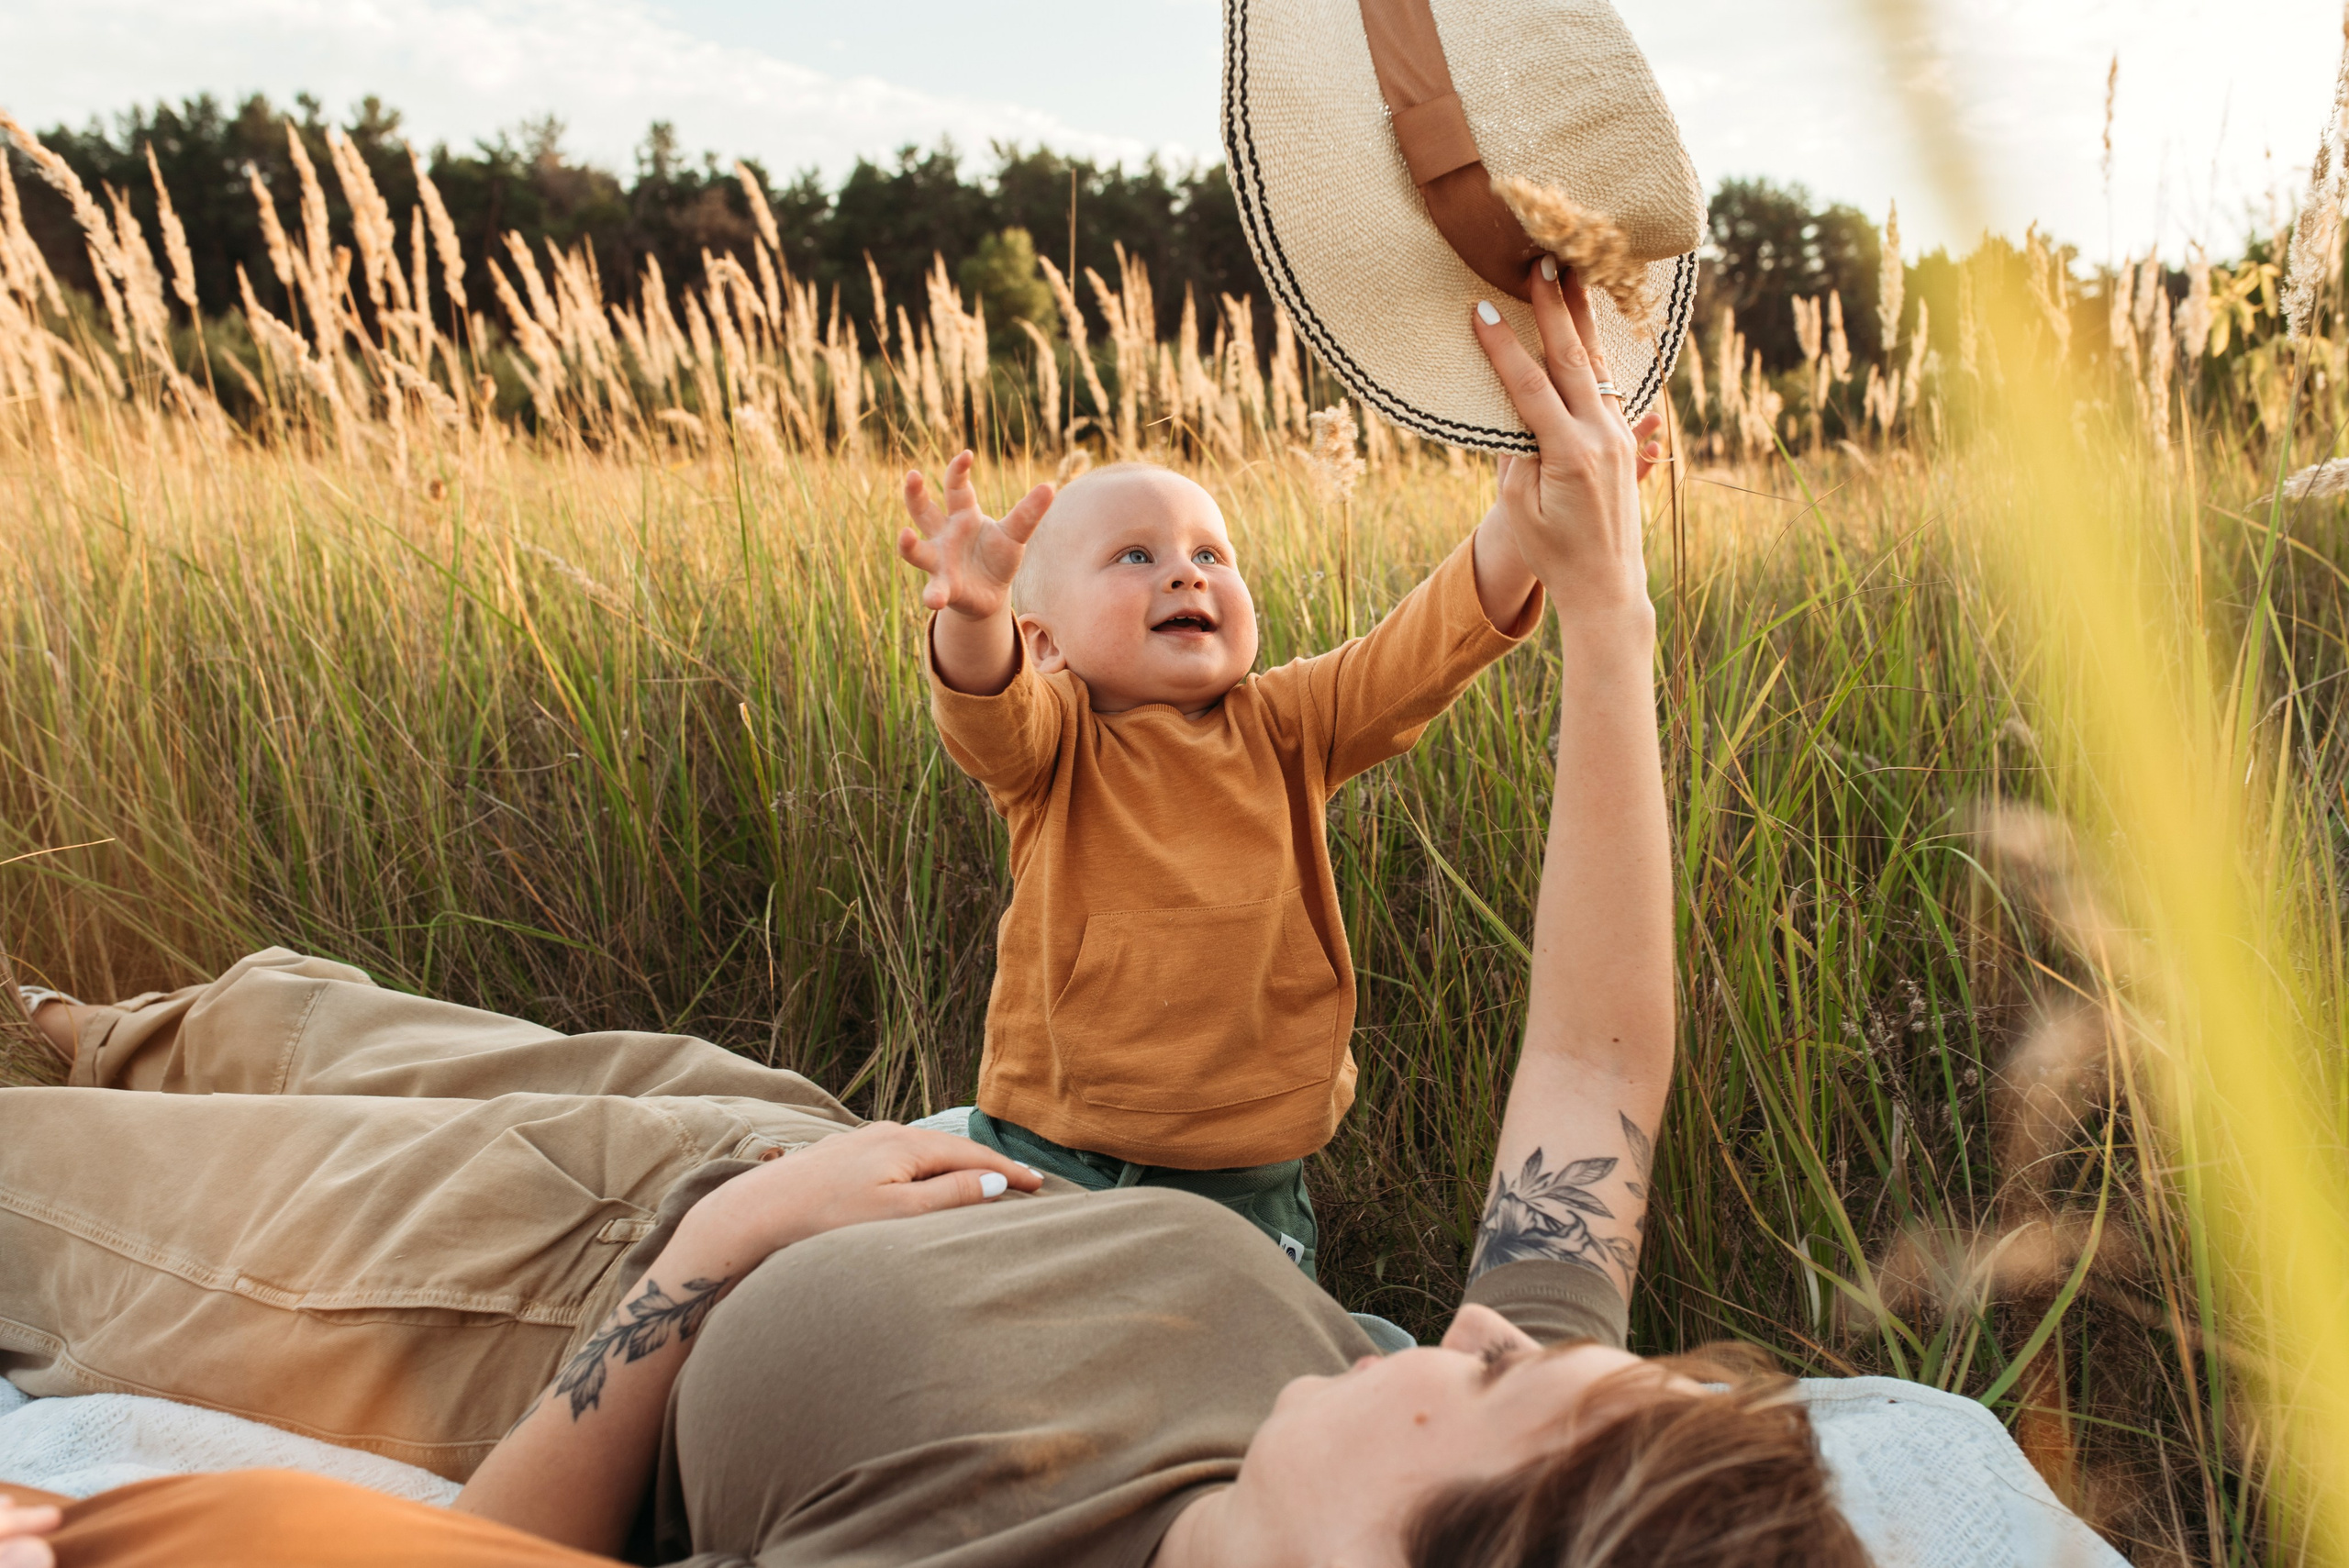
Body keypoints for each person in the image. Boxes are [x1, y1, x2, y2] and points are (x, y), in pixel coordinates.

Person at [0, 270, 1864, 1568]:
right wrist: (1598, 600)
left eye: (1482, 1384)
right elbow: (1592, 1066)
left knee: (49, 1182)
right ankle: (59, 1006)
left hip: (560, 1283)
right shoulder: (1402, 1405)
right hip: (796, 1130)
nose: (1461, 1335)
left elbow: (504, 1541)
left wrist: (707, 1256)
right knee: (287, 1014)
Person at [891, 439, 1589, 1274]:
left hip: (1246, 1172)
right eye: (1135, 555)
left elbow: (1423, 646)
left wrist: (1522, 518)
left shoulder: (1292, 722)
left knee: (1230, 1351)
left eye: (1210, 553)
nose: (1186, 574)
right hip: (1060, 1146)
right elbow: (985, 708)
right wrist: (974, 613)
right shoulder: (1054, 742)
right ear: (1044, 643)